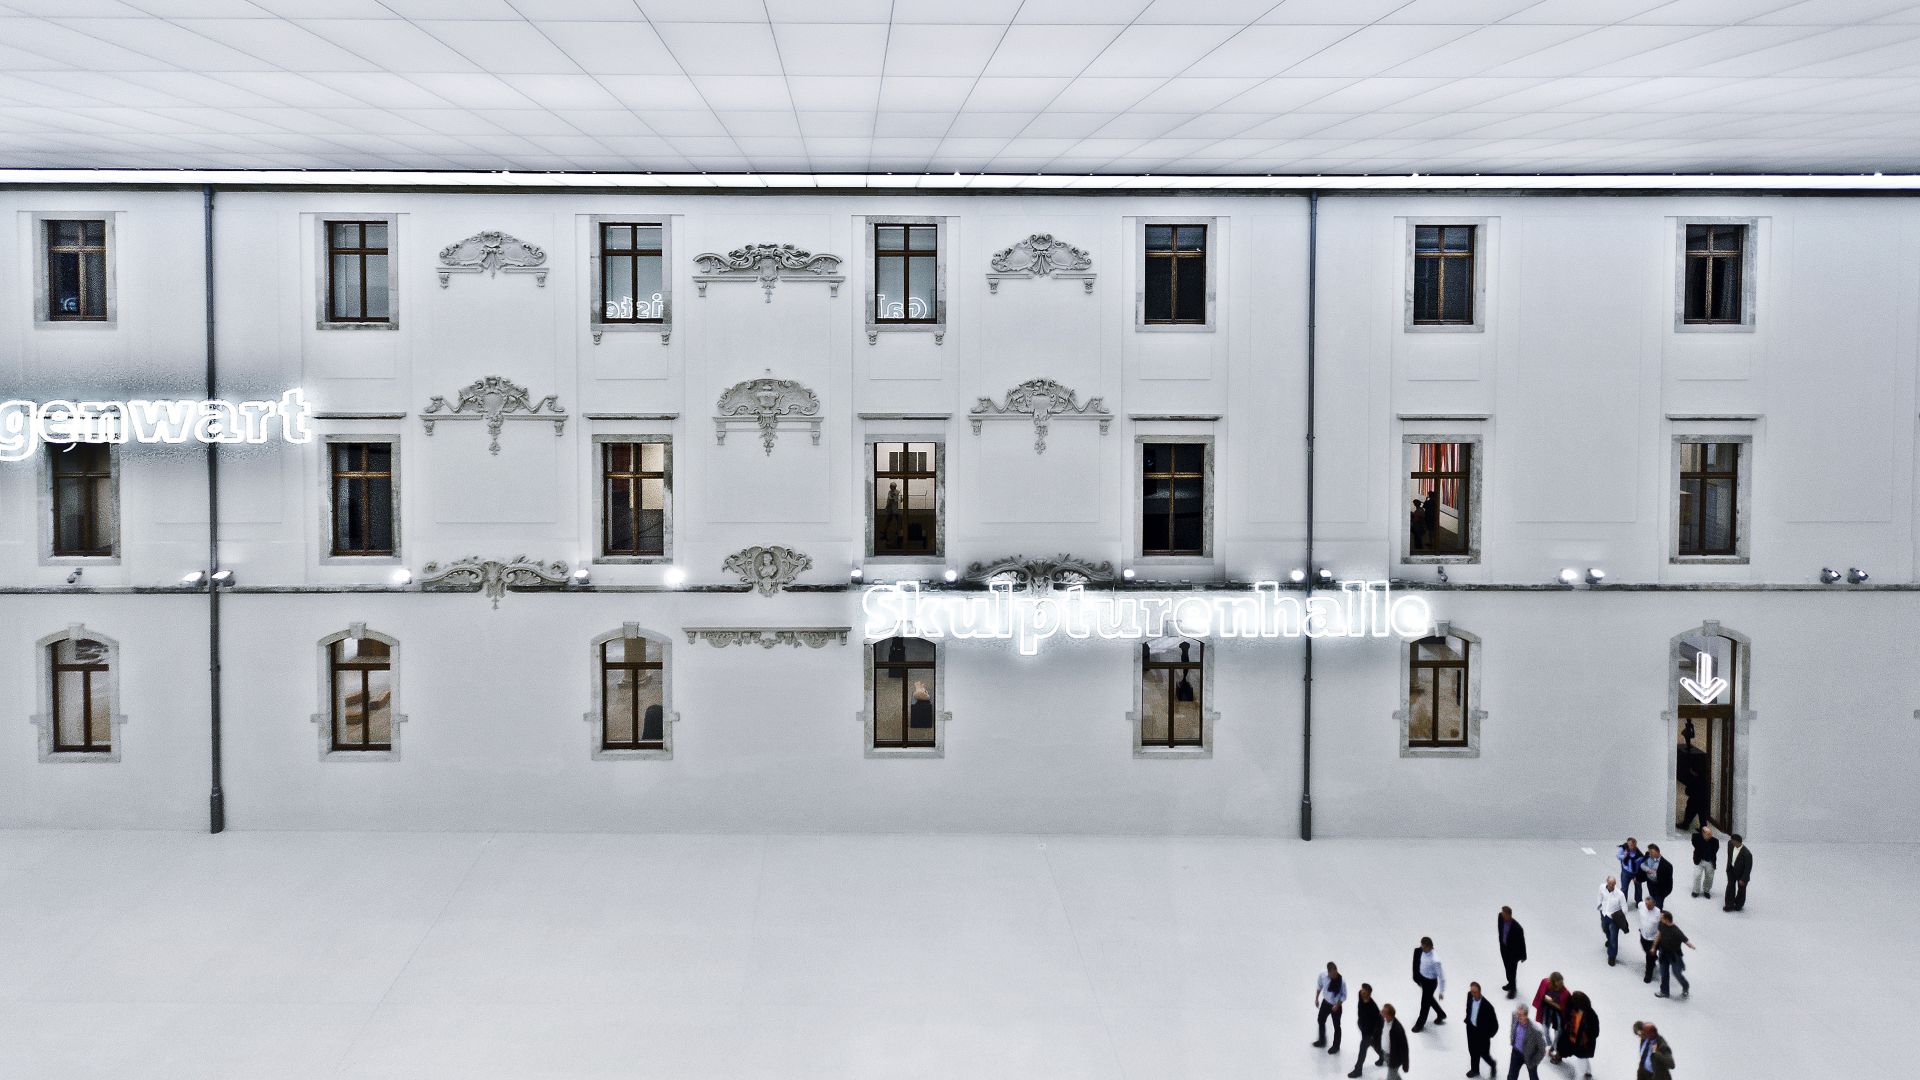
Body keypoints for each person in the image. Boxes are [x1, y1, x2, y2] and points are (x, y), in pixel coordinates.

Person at [1347, 983, 1385, 1077]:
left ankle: (1358, 1070)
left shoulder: (1373, 1008)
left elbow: (1378, 1023)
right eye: (1362, 991)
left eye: (1364, 992)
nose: (1362, 993)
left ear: (1369, 994)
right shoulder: (1360, 995)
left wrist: (1371, 1035)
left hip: (1371, 1030)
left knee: (1363, 1048)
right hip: (1364, 1026)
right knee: (1374, 1044)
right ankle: (1383, 1056)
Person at [1654, 911, 1695, 998]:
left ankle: (1685, 987)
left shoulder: (1676, 931)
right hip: (1663, 952)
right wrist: (1654, 947)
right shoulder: (1661, 924)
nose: (1660, 919)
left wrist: (1691, 946)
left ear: (1667, 919)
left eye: (1662, 917)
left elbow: (1685, 940)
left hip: (1674, 955)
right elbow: (1659, 934)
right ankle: (1664, 992)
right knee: (1664, 972)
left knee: (1676, 972)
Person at [1559, 991, 1599, 1080]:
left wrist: (1586, 1036)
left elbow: (1595, 1032)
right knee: (1582, 1057)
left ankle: (1586, 1074)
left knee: (1582, 1057)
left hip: (1583, 1042)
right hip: (1573, 1037)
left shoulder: (1591, 1015)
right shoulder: (1574, 1008)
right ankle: (1587, 1072)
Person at [1529, 971, 1568, 1061]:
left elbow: (1563, 1007)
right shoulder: (1545, 983)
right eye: (1559, 983)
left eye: (1562, 982)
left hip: (1558, 1013)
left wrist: (1551, 1002)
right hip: (1547, 1010)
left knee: (1558, 1032)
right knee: (1545, 1029)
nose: (1561, 985)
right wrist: (1546, 1000)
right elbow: (1541, 995)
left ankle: (1553, 1047)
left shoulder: (1565, 992)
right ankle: (1550, 1045)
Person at [1410, 936, 1447, 1031]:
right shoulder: (1419, 951)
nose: (1422, 948)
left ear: (1430, 947)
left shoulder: (1435, 960)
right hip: (1422, 979)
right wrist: (1416, 977)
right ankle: (1441, 1014)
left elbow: (1442, 977)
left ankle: (1420, 1024)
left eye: (1424, 947)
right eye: (1422, 946)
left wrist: (1441, 992)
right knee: (1428, 999)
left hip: (1430, 983)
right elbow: (1416, 963)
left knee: (1425, 1003)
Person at [1464, 981, 1499, 1078]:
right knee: (1472, 1050)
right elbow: (1468, 1007)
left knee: (1484, 1054)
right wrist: (1468, 1018)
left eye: (1475, 992)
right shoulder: (1469, 996)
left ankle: (1493, 1064)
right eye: (1472, 992)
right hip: (1471, 1029)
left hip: (1482, 1034)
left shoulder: (1488, 1007)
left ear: (1480, 992)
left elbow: (1495, 1025)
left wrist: (1487, 1035)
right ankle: (1475, 1070)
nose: (1473, 994)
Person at [1314, 961, 1347, 1055]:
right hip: (1326, 1002)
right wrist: (1316, 998)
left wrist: (1337, 1005)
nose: (1334, 976)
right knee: (1321, 1020)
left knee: (1337, 1026)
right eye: (1332, 974)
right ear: (1328, 973)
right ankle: (1322, 1041)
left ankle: (1336, 1046)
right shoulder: (1323, 975)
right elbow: (1319, 986)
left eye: (1335, 973)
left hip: (1336, 1005)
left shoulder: (1342, 981)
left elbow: (1344, 996)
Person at [1507, 1004, 1547, 1080]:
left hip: (1530, 1056)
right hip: (1516, 1053)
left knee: (1533, 1077)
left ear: (1526, 1016)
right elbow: (1512, 1026)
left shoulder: (1535, 1030)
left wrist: (1535, 1061)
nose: (1518, 1016)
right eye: (1517, 1014)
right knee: (1511, 1076)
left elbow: (1542, 1049)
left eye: (1520, 1015)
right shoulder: (1514, 1016)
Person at [1597, 876, 1629, 966]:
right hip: (1604, 914)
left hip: (1613, 919)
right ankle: (1608, 939)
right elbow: (1599, 896)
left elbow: (1625, 908)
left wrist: (1617, 915)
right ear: (1607, 882)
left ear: (1615, 884)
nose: (1611, 885)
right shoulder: (1602, 887)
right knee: (1605, 929)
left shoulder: (1620, 894)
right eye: (1610, 883)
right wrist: (1599, 905)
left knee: (1614, 938)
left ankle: (1612, 956)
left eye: (1613, 884)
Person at [1497, 906, 1528, 998]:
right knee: (1507, 968)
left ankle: (1513, 989)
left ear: (1509, 915)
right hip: (1504, 949)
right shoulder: (1500, 918)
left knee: (1512, 971)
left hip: (1513, 953)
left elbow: (1522, 943)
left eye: (1504, 914)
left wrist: (1523, 956)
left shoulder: (1517, 928)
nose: (1502, 915)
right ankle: (1510, 983)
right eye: (1502, 913)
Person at [1635, 897, 1662, 983]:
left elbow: (1660, 927)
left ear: (1654, 904)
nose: (1647, 906)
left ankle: (1648, 974)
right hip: (1643, 935)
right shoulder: (1641, 905)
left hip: (1652, 939)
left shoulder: (1658, 912)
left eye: (1650, 905)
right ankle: (1654, 957)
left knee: (1649, 957)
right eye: (1646, 904)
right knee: (1646, 951)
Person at [1724, 833, 1753, 911]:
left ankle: (1738, 905)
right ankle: (1729, 905)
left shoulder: (1747, 854)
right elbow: (1730, 856)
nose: (1731, 842)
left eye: (1733, 841)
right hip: (1731, 870)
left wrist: (1743, 879)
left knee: (1741, 890)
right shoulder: (1730, 844)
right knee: (1730, 887)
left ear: (1738, 842)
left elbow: (1748, 868)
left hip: (1742, 874)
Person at [1382, 1003, 1410, 1080]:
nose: (1381, 1012)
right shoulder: (1385, 1021)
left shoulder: (1397, 1029)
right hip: (1386, 1055)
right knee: (1394, 1075)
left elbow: (1404, 1047)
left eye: (1383, 1012)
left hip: (1394, 1058)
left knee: (1391, 1077)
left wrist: (1405, 1065)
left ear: (1389, 1015)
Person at [1690, 825, 1719, 899]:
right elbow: (1693, 838)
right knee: (1697, 875)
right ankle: (1696, 891)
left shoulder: (1715, 841)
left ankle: (1706, 890)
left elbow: (1715, 851)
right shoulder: (1696, 838)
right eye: (1708, 834)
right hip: (1699, 861)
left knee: (1709, 877)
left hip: (1709, 861)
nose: (1710, 835)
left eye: (1711, 833)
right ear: (1703, 834)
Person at [1643, 844, 1675, 908]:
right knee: (1652, 904)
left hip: (1660, 892)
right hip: (1651, 888)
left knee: (1658, 907)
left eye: (1652, 852)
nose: (1650, 854)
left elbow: (1669, 883)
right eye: (1649, 852)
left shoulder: (1667, 866)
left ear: (1658, 852)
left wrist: (1663, 894)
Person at [1617, 838, 1646, 903]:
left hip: (1635, 872)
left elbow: (1641, 866)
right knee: (1624, 888)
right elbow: (1618, 856)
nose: (1631, 846)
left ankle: (1639, 902)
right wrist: (1624, 856)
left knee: (1638, 887)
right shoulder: (1623, 848)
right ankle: (1623, 903)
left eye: (1633, 845)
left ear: (1635, 845)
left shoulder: (1639, 854)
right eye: (1630, 845)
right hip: (1626, 872)